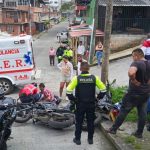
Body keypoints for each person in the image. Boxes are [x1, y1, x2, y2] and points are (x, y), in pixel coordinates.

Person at [107, 48, 150, 138]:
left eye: (133, 56)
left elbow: (131, 72)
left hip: (133, 93)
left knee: (124, 110)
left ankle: (113, 129)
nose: (132, 58)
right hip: (145, 93)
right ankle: (139, 133)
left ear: (136, 55)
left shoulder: (136, 63)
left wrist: (134, 80)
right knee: (142, 113)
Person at [66, 62, 106, 145]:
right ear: (89, 69)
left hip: (80, 104)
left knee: (79, 122)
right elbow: (103, 90)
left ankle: (77, 140)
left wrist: (74, 100)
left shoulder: (77, 78)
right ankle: (90, 139)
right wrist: (98, 98)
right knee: (91, 122)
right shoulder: (94, 78)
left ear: (80, 69)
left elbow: (68, 91)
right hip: (91, 104)